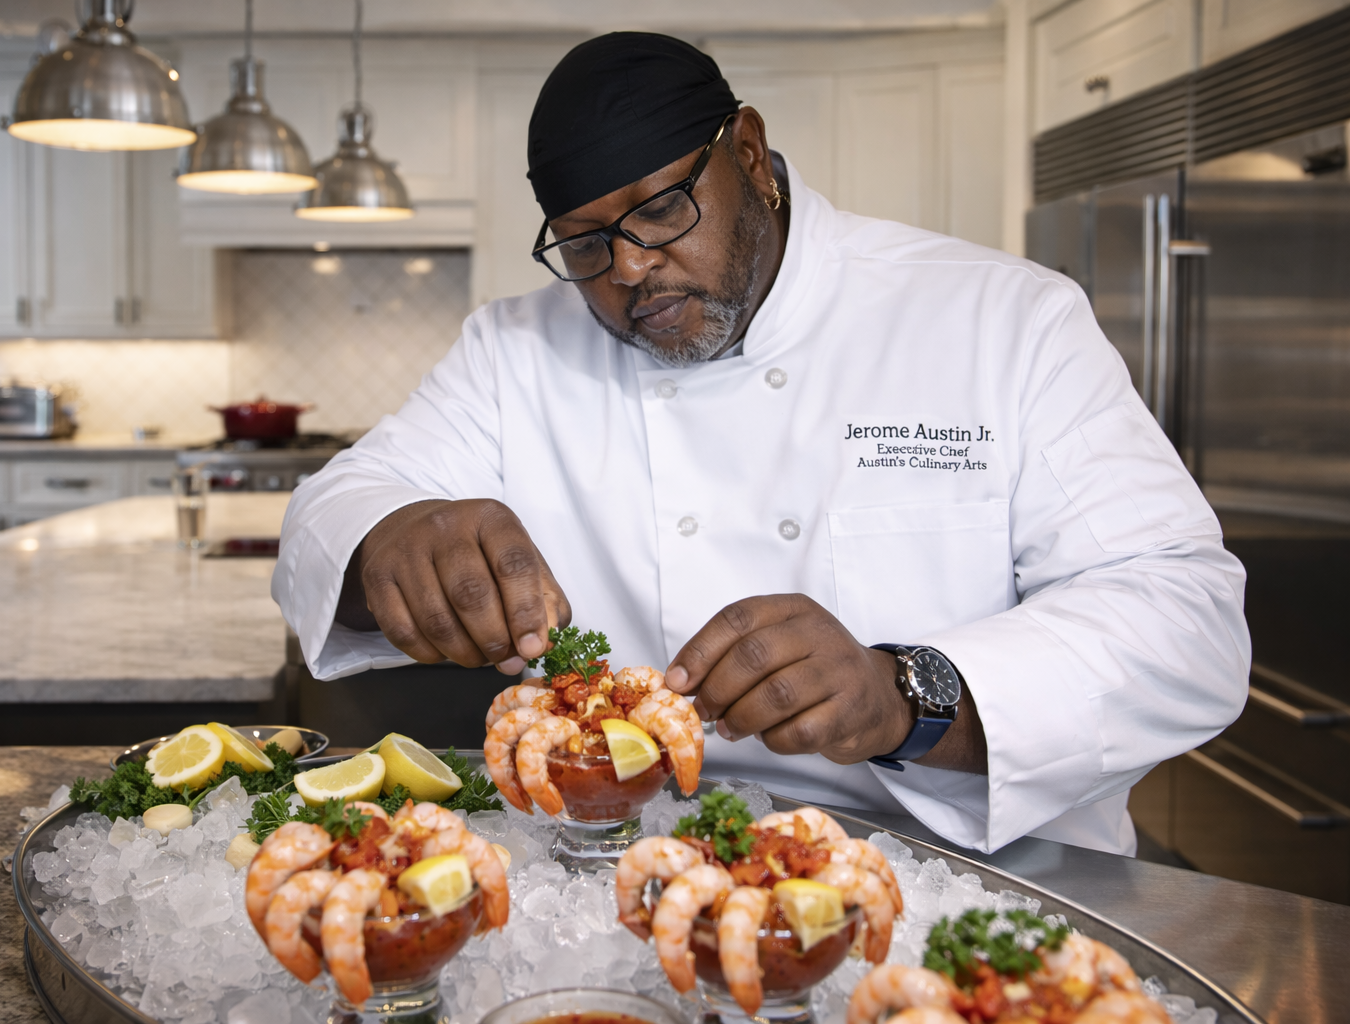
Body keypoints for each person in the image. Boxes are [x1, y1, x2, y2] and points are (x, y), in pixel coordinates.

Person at [272, 32, 1249, 854]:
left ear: (748, 153)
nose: (632, 271)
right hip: (627, 863)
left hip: (962, 870)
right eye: (583, 245)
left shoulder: (1002, 318)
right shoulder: (514, 348)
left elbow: (1187, 622)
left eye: (661, 208)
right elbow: (334, 509)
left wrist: (903, 692)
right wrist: (391, 534)